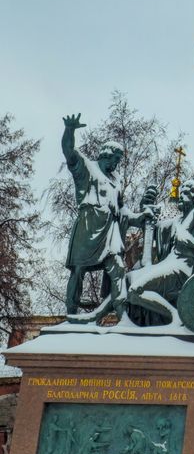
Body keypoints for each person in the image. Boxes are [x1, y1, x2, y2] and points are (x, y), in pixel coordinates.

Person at [127, 179, 194, 324]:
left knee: (135, 291)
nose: (182, 197)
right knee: (129, 278)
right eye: (181, 193)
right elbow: (154, 227)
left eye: (186, 194)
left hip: (183, 268)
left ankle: (175, 317)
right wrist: (146, 209)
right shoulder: (177, 221)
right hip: (169, 264)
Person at [61, 114, 126, 320]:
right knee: (78, 271)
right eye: (115, 160)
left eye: (118, 161)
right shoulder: (87, 168)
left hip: (110, 232)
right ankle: (71, 315)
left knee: (118, 268)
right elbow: (69, 153)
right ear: (106, 155)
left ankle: (121, 315)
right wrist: (69, 130)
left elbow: (122, 211)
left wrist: (142, 215)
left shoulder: (117, 181)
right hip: (88, 227)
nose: (116, 165)